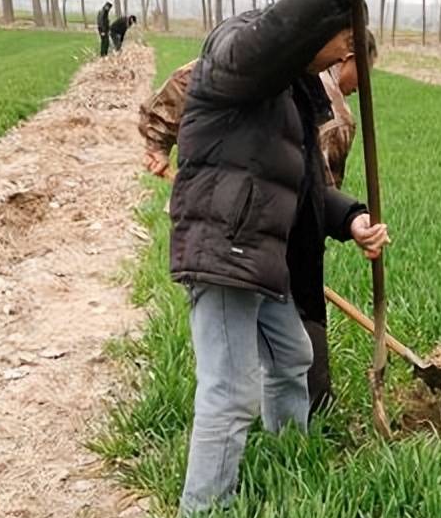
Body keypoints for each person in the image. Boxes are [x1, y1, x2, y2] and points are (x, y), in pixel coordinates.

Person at [169, 0, 389, 515]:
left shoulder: (291, 98)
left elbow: (309, 185)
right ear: (310, 30)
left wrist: (353, 218)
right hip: (223, 251)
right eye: (342, 39)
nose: (345, 55)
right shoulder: (237, 55)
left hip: (260, 257)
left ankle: (290, 453)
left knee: (292, 355)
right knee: (229, 389)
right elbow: (268, 44)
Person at [138, 31, 378, 415]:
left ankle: (287, 424)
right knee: (243, 373)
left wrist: (156, 141)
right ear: (346, 57)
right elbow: (312, 202)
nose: (358, 88)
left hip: (243, 229)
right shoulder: (333, 118)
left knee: (282, 351)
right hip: (249, 241)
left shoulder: (268, 68)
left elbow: (190, 77)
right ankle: (306, 407)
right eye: (362, 75)